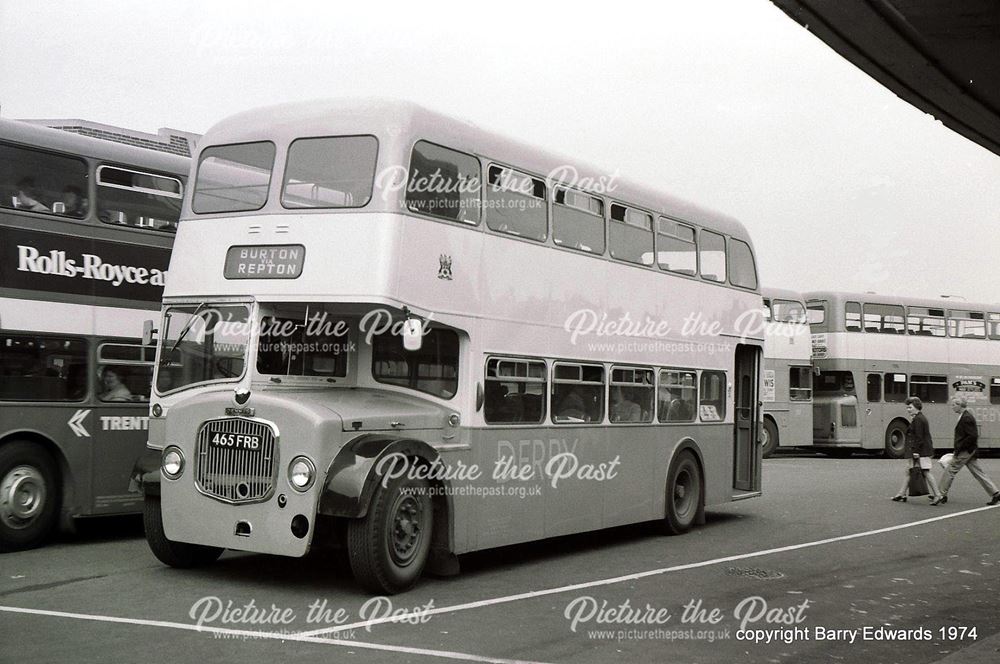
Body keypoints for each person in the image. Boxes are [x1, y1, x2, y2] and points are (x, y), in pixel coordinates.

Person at [931, 396, 1000, 505]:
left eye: (954, 405)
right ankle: (995, 493)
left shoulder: (966, 418)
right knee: (978, 473)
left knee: (950, 470)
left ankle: (940, 494)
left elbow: (972, 436)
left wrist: (959, 449)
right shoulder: (964, 416)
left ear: (959, 405)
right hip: (969, 451)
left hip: (965, 451)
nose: (952, 407)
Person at [892, 396, 942, 502]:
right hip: (921, 450)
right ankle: (902, 494)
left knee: (926, 472)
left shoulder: (918, 419)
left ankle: (938, 495)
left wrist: (916, 452)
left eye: (910, 407)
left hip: (921, 451)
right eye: (907, 407)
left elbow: (919, 437)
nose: (908, 410)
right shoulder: (918, 418)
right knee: (909, 471)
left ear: (916, 407)